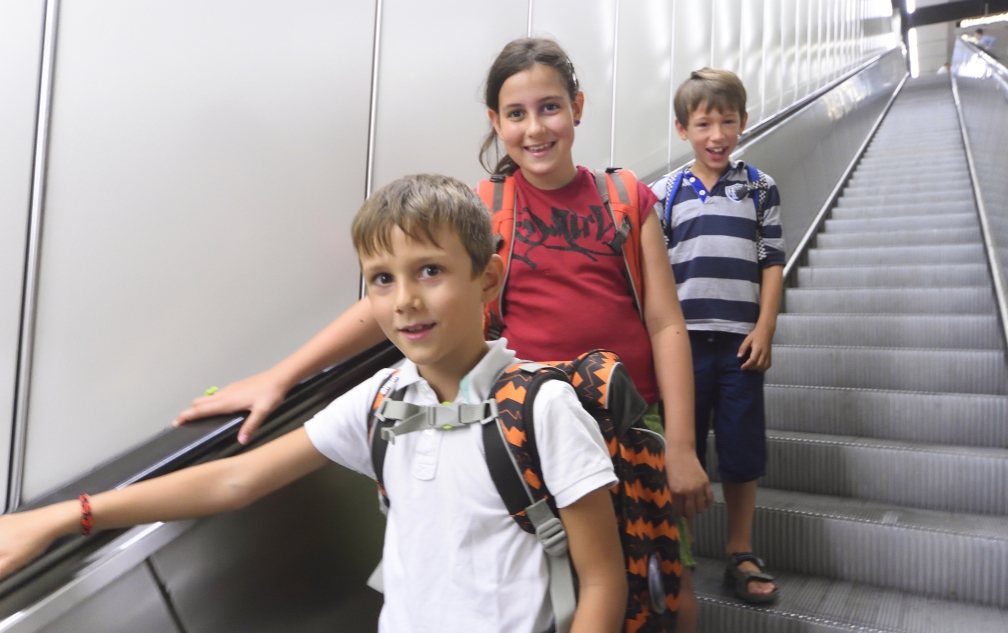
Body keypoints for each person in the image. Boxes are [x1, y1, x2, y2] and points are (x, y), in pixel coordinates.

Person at [174, 37, 712, 631]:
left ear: (577, 107)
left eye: (550, 107)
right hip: (523, 434)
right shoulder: (484, 208)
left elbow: (664, 322)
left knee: (664, 575)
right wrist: (282, 375)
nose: (535, 127)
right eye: (516, 113)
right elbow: (381, 305)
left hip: (624, 418)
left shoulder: (624, 198)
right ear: (495, 122)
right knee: (561, 581)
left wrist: (682, 448)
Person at [0, 174, 628, 633]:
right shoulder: (385, 399)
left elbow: (602, 581)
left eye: (430, 271)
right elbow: (237, 479)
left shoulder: (542, 408)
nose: (404, 300)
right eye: (383, 279)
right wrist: (69, 515)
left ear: (486, 279)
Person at [650, 68, 784, 605]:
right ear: (682, 128)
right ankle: (673, 550)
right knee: (678, 445)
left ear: (743, 122)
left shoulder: (760, 187)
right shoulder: (666, 191)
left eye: (728, 121)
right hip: (679, 347)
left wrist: (765, 327)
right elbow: (653, 275)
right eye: (704, 123)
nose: (717, 134)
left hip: (739, 345)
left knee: (741, 446)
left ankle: (739, 550)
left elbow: (772, 262)